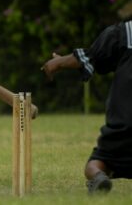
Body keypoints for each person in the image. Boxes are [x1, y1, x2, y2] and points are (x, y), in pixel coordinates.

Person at [42, 19, 132, 194]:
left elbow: (92, 56)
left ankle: (99, 176)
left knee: (98, 161)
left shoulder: (125, 32)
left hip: (125, 124)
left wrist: (58, 62)